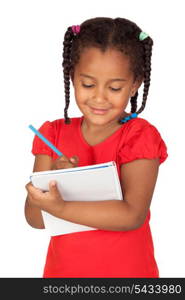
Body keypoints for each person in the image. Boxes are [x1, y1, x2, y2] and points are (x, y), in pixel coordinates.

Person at [25, 17, 168, 278]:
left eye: (115, 87)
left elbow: (131, 215)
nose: (99, 97)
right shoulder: (53, 134)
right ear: (72, 77)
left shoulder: (139, 136)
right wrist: (54, 182)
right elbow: (35, 219)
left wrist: (62, 208)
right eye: (88, 84)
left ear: (135, 84)